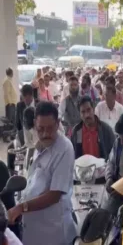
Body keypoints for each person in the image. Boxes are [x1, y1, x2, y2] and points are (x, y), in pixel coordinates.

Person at [7, 101, 76, 245]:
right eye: (40, 129)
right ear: (34, 124)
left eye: (50, 129)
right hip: (34, 230)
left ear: (58, 123)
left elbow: (54, 195)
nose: (45, 134)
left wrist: (21, 207)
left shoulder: (64, 149)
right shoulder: (40, 145)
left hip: (53, 233)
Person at [71, 96, 115, 160]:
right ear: (80, 114)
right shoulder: (76, 131)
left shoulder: (106, 130)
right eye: (83, 112)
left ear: (93, 109)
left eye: (89, 110)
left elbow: (114, 154)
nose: (87, 115)